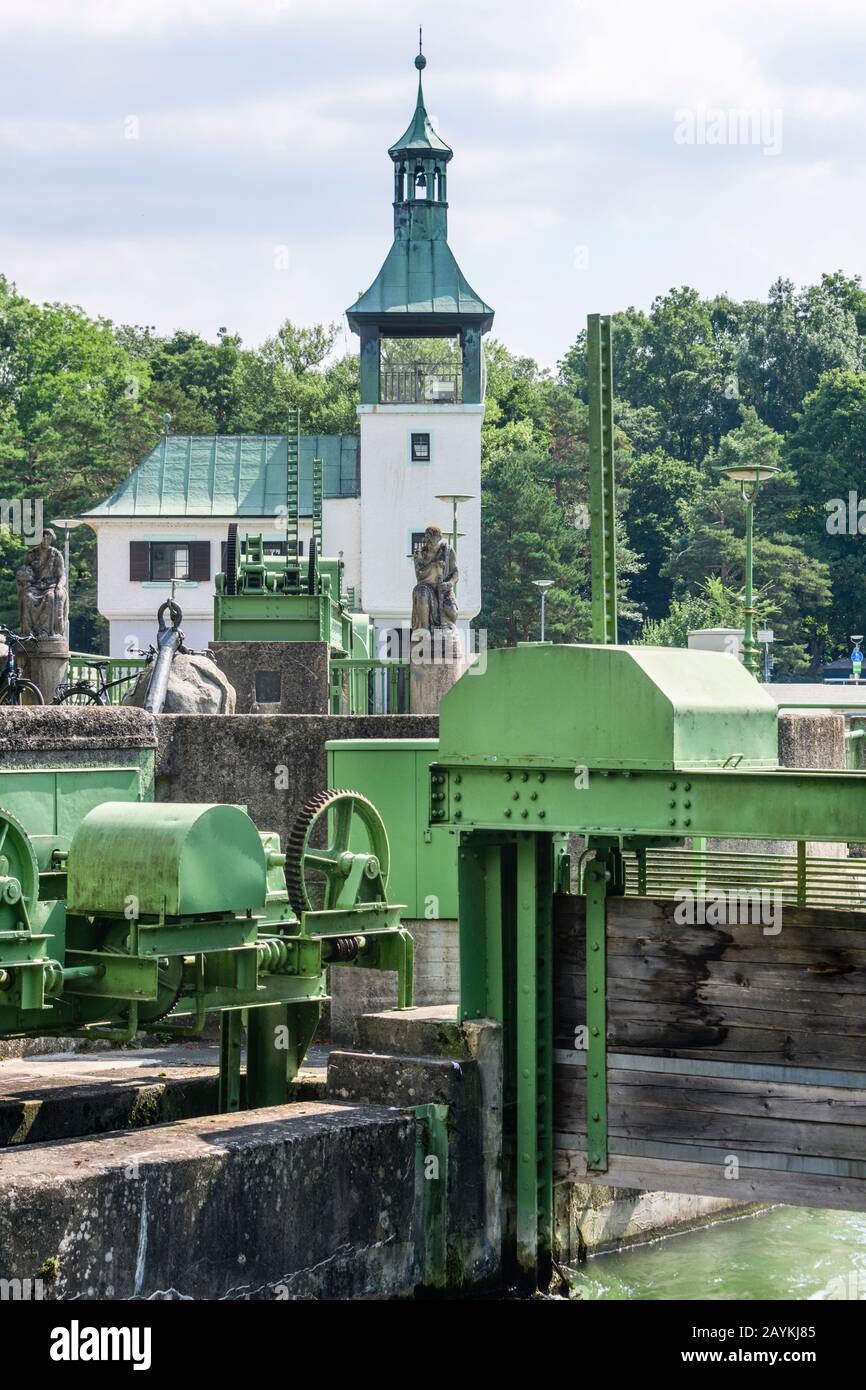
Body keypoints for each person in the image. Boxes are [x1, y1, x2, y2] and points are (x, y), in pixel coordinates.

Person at [17, 529, 68, 638]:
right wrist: (25, 581)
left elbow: (62, 575)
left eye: (48, 537)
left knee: (50, 597)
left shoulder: (56, 555)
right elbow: (23, 570)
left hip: (51, 585)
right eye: (43, 537)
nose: (45, 540)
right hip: (35, 585)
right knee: (27, 596)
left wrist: (59, 586)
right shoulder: (32, 554)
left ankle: (45, 631)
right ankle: (28, 632)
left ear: (51, 539)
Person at [411, 525, 458, 631]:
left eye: (431, 537)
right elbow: (419, 576)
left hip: (443, 589)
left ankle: (446, 627)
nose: (428, 540)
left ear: (439, 538)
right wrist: (433, 565)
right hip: (426, 587)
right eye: (426, 537)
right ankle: (425, 630)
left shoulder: (448, 551)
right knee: (421, 592)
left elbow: (455, 573)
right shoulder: (420, 554)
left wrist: (448, 584)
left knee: (452, 612)